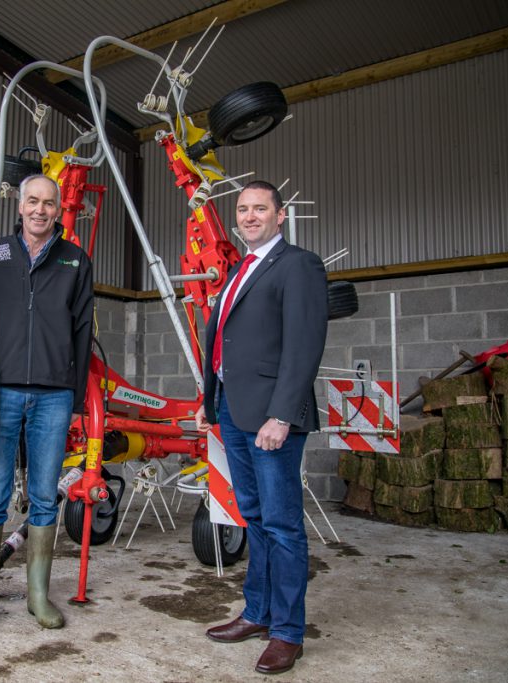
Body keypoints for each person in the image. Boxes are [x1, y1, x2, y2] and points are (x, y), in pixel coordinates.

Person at [195, 180, 328, 675]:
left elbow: (303, 345)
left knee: (283, 523)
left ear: (281, 215)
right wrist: (209, 401)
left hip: (271, 416)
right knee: (252, 515)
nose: (250, 216)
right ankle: (257, 612)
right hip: (231, 409)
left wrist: (282, 414)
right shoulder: (237, 270)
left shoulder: (298, 265)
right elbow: (223, 343)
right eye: (243, 210)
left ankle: (288, 632)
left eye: (260, 208)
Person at [0, 174, 93, 634]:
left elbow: (81, 332)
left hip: (54, 395)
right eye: (32, 202)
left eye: (49, 203)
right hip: (2, 392)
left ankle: (38, 594)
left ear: (59, 210)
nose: (40, 210)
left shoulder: (75, 259)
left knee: (43, 494)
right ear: (20, 207)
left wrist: (75, 398)